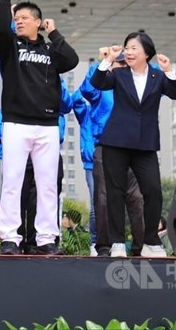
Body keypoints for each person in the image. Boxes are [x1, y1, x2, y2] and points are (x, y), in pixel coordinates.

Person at [0, 0, 79, 256]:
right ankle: (9, 238)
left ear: (39, 22)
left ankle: (46, 238)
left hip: (48, 126)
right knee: (12, 183)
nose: (19, 22)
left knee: (47, 185)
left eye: (25, 18)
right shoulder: (10, 47)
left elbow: (72, 60)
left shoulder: (51, 50)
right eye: (16, 18)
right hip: (15, 123)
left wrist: (54, 34)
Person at [90, 33, 176, 258]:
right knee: (115, 192)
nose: (128, 52)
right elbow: (98, 83)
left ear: (146, 53)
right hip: (116, 141)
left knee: (153, 191)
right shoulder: (119, 74)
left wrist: (169, 70)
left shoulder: (158, 77)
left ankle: (151, 240)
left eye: (133, 48)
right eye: (127, 48)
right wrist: (108, 60)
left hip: (145, 144)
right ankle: (117, 243)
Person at [0, 77, 70, 254]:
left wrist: (56, 82)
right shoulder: (16, 94)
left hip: (48, 149)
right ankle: (14, 241)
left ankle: (42, 241)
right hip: (21, 152)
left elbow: (67, 104)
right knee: (18, 195)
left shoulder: (56, 83)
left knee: (45, 195)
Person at [80, 52, 145, 257]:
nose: (123, 66)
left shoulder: (137, 86)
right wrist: (103, 61)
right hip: (106, 147)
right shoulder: (103, 86)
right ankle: (105, 246)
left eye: (127, 63)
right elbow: (86, 89)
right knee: (104, 198)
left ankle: (140, 246)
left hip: (134, 147)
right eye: (120, 62)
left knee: (137, 198)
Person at [71, 90, 97, 254]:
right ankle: (95, 242)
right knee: (96, 204)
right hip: (91, 162)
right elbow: (75, 98)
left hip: (113, 159)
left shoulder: (109, 107)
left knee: (113, 203)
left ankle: (114, 240)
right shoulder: (85, 111)